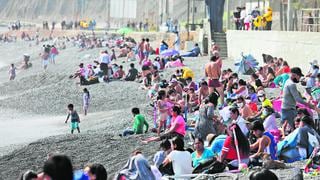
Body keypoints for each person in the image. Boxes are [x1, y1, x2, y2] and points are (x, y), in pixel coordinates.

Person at [281, 67, 316, 135]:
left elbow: (294, 96)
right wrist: (311, 106)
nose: (299, 79)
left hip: (285, 109)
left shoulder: (287, 81)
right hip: (289, 110)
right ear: (294, 75)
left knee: (292, 128)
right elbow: (298, 99)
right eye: (299, 76)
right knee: (295, 130)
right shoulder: (292, 84)